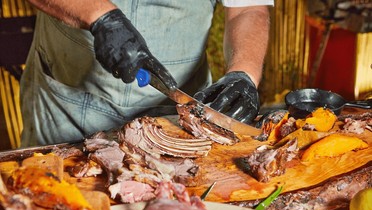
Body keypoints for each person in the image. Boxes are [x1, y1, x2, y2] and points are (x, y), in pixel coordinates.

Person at [20, 0, 273, 147]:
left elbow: (247, 8)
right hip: (68, 105)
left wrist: (243, 73)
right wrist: (98, 17)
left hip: (180, 112)